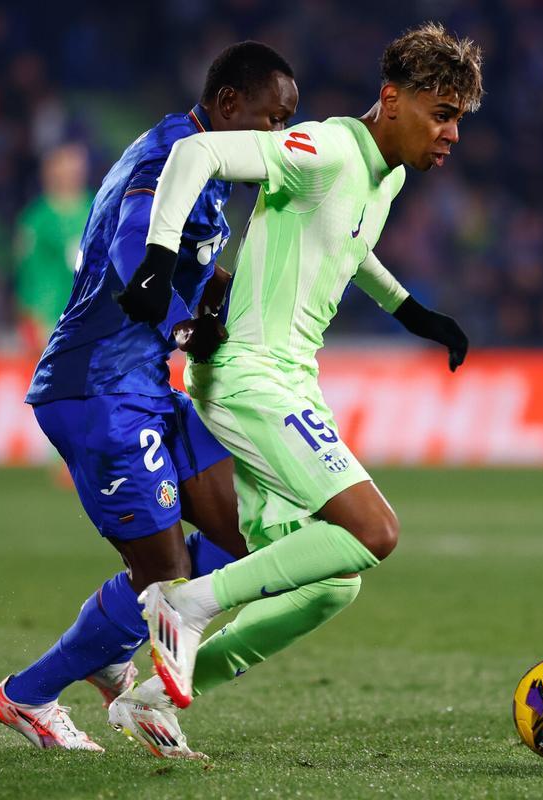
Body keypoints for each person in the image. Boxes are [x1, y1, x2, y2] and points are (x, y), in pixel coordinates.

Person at [114, 21, 481, 752]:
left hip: (290, 384)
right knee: (373, 531)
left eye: (459, 120)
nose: (452, 135)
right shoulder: (326, 149)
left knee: (333, 580)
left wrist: (414, 313)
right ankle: (183, 606)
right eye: (441, 115)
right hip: (251, 375)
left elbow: (353, 248)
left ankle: (153, 700)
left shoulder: (388, 174)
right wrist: (158, 256)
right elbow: (199, 151)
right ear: (392, 99)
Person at [0, 41, 299, 756]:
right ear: (227, 106)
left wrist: (231, 298)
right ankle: (26, 695)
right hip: (96, 390)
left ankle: (107, 646)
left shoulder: (212, 166)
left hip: (147, 389)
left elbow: (194, 264)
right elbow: (136, 250)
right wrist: (184, 325)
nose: (278, 138)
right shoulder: (164, 159)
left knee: (245, 536)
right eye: (270, 119)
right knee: (165, 578)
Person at [13, 142, 92, 349]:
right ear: (50, 170)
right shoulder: (37, 219)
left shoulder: (98, 210)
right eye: (65, 164)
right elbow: (27, 273)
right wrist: (33, 318)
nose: (73, 171)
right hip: (48, 321)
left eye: (77, 165)